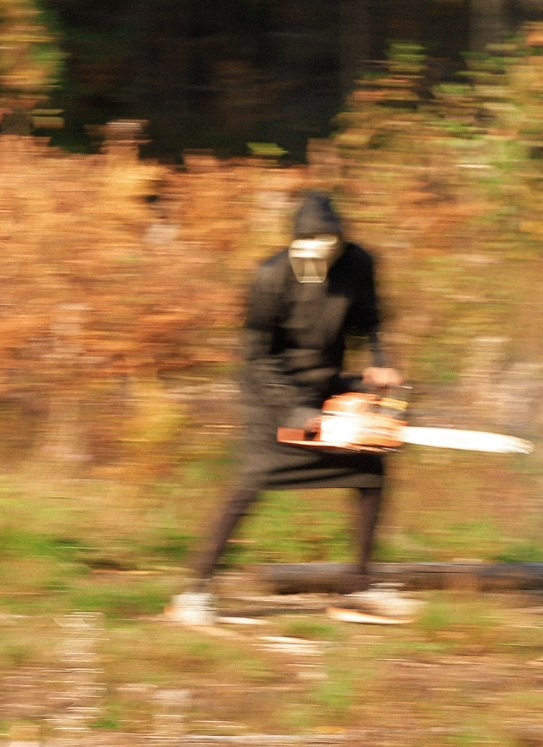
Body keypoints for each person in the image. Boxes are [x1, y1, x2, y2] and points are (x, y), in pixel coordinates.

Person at [169, 190, 420, 627]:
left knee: (370, 472)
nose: (320, 254)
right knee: (251, 482)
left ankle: (359, 588)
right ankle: (195, 593)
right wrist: (295, 411)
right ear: (294, 243)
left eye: (329, 244)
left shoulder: (359, 264)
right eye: (310, 245)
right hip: (272, 391)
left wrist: (379, 363)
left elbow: (371, 320)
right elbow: (256, 356)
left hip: (326, 383)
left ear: (340, 242)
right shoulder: (270, 276)